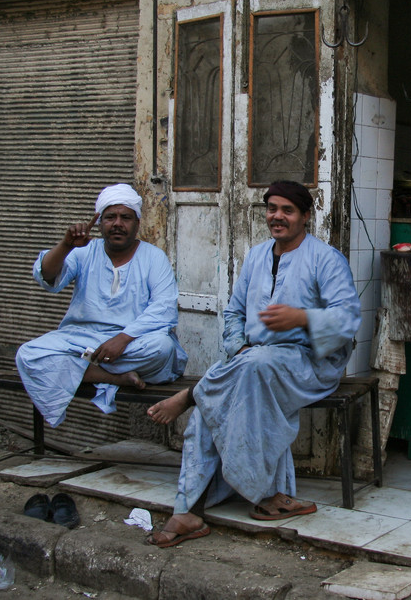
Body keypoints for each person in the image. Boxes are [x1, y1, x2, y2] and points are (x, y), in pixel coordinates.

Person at [146, 180, 361, 548]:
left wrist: (302, 318)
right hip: (253, 362)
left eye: (287, 210)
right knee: (222, 396)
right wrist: (238, 346)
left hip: (310, 365)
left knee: (244, 374)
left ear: (305, 216)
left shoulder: (325, 259)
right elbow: (232, 312)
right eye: (272, 209)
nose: (277, 216)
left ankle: (193, 396)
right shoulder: (257, 256)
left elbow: (348, 320)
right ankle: (190, 510)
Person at [16, 183, 188, 427]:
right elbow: (47, 278)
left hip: (132, 343)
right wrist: (66, 245)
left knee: (162, 348)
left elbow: (164, 309)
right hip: (83, 340)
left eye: (125, 217)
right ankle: (115, 378)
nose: (118, 223)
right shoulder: (84, 251)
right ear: (99, 223)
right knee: (29, 354)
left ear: (137, 223)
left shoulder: (153, 257)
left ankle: (88, 372)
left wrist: (122, 338)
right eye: (110, 217)